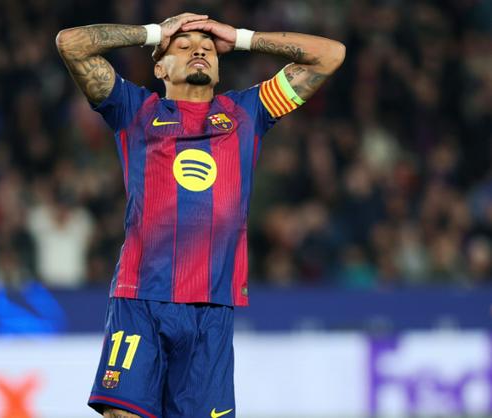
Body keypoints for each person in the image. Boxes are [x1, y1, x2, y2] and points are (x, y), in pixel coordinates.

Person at [56, 12, 345, 418]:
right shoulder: (134, 109)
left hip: (211, 307)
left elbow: (331, 55)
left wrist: (242, 38)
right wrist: (154, 32)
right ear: (160, 68)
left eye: (208, 48)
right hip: (142, 297)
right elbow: (71, 44)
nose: (199, 51)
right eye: (184, 45)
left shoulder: (248, 111)